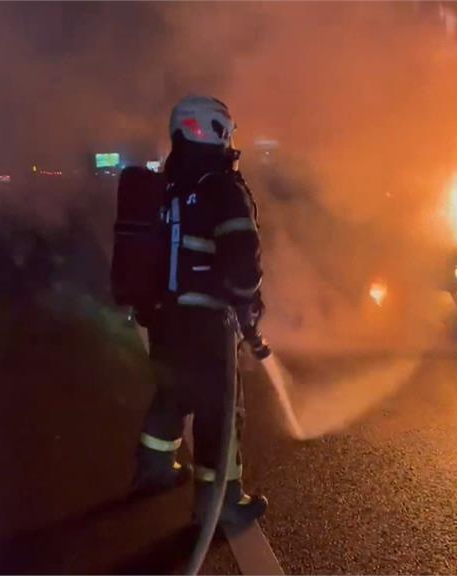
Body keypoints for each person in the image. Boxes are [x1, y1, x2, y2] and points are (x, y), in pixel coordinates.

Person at [132, 95, 268, 527]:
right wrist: (248, 309)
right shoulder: (221, 187)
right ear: (215, 130)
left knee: (173, 390)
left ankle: (153, 469)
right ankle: (222, 506)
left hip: (165, 318)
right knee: (221, 410)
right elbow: (243, 262)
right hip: (208, 322)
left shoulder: (168, 187)